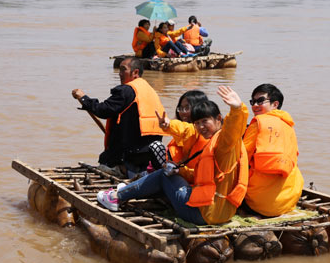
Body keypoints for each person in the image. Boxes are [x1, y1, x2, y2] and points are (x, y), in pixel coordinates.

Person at [96, 86, 249, 226]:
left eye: (205, 121)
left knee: (163, 174)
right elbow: (205, 175)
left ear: (219, 119)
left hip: (204, 214)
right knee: (169, 172)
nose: (201, 127)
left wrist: (237, 110)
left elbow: (232, 130)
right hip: (223, 212)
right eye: (197, 123)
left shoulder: (224, 142)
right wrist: (180, 171)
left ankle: (117, 196)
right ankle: (130, 189)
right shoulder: (218, 142)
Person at [71, 57, 167, 178]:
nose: (119, 74)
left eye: (123, 70)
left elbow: (103, 110)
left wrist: (83, 98)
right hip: (148, 153)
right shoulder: (150, 90)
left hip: (133, 153)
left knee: (104, 160)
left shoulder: (127, 90)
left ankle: (122, 169)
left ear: (135, 72)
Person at [242, 84, 304, 217]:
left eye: (260, 101)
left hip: (259, 203)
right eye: (253, 102)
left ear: (275, 104)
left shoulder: (258, 122)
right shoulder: (289, 126)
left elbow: (241, 157)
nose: (254, 106)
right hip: (289, 201)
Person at [150, 90, 209, 183]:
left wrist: (169, 124)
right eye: (180, 108)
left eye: (187, 108)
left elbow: (185, 129)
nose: (182, 112)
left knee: (156, 147)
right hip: (181, 171)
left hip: (189, 177)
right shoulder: (192, 130)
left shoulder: (196, 129)